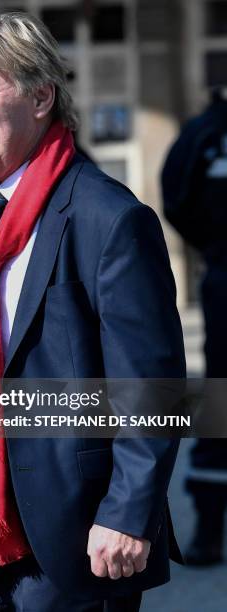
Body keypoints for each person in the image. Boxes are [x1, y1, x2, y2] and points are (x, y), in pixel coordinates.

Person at [0, 12, 186, 611]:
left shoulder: (108, 219)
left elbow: (153, 389)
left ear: (41, 97)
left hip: (73, 538)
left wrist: (128, 513)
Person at [162, 87, 227, 565]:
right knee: (220, 404)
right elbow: (178, 198)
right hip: (226, 277)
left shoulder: (205, 129)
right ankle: (208, 530)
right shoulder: (206, 132)